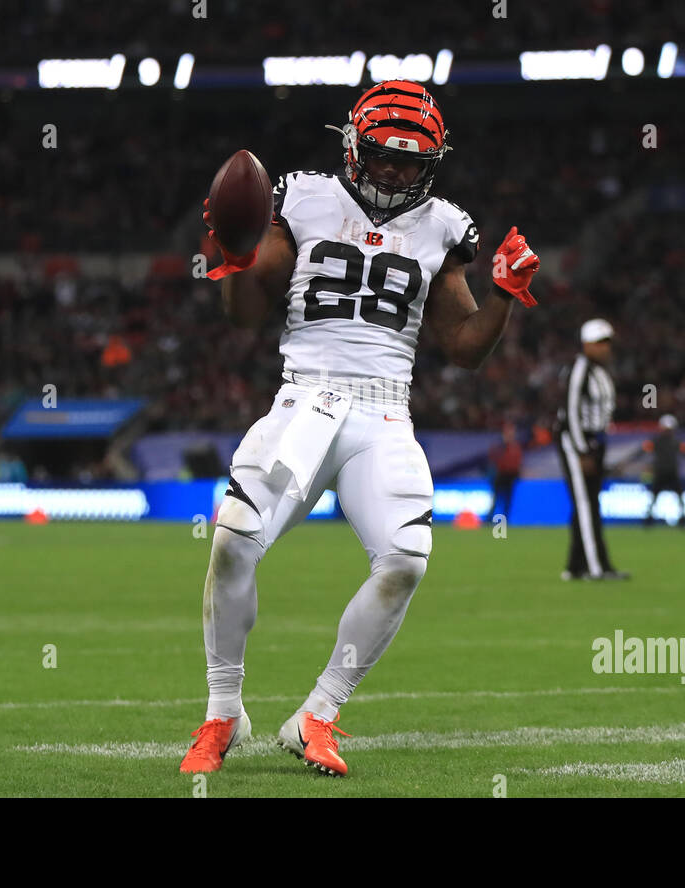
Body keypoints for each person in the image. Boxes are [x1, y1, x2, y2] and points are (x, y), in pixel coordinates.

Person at [180, 80, 542, 777]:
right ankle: (223, 712)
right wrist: (232, 257)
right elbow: (247, 313)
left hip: (384, 413)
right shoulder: (306, 197)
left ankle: (316, 714)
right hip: (304, 399)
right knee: (231, 545)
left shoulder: (443, 227)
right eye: (383, 156)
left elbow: (465, 348)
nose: (396, 172)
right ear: (354, 147)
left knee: (405, 561)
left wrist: (504, 295)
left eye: (411, 162)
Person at [555, 318, 628, 581]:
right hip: (577, 442)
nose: (606, 348)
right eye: (600, 343)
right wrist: (582, 449)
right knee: (585, 504)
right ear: (586, 344)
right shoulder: (579, 369)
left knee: (588, 504)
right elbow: (571, 411)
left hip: (595, 442)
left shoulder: (600, 372)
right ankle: (597, 568)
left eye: (608, 342)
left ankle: (575, 567)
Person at [639, 414, 685, 527]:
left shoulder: (676, 442)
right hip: (660, 473)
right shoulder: (656, 441)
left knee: (679, 498)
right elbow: (641, 451)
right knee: (654, 498)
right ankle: (648, 520)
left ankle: (683, 520)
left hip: (672, 473)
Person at [486, 421, 522, 523]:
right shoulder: (499, 446)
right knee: (495, 499)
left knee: (508, 500)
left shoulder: (515, 447)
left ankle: (505, 521)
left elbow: (517, 462)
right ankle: (489, 521)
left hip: (511, 477)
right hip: (500, 475)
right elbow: (493, 460)